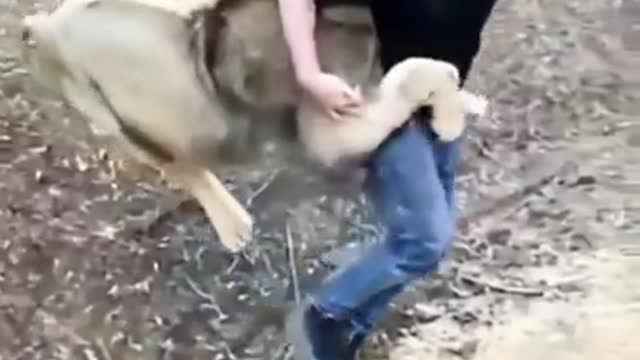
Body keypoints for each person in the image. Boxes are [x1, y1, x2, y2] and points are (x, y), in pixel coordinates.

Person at [277, 0, 498, 359]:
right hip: (379, 101)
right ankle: (326, 314)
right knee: (424, 241)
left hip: (440, 95)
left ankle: (350, 327)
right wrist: (309, 74)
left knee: (428, 246)